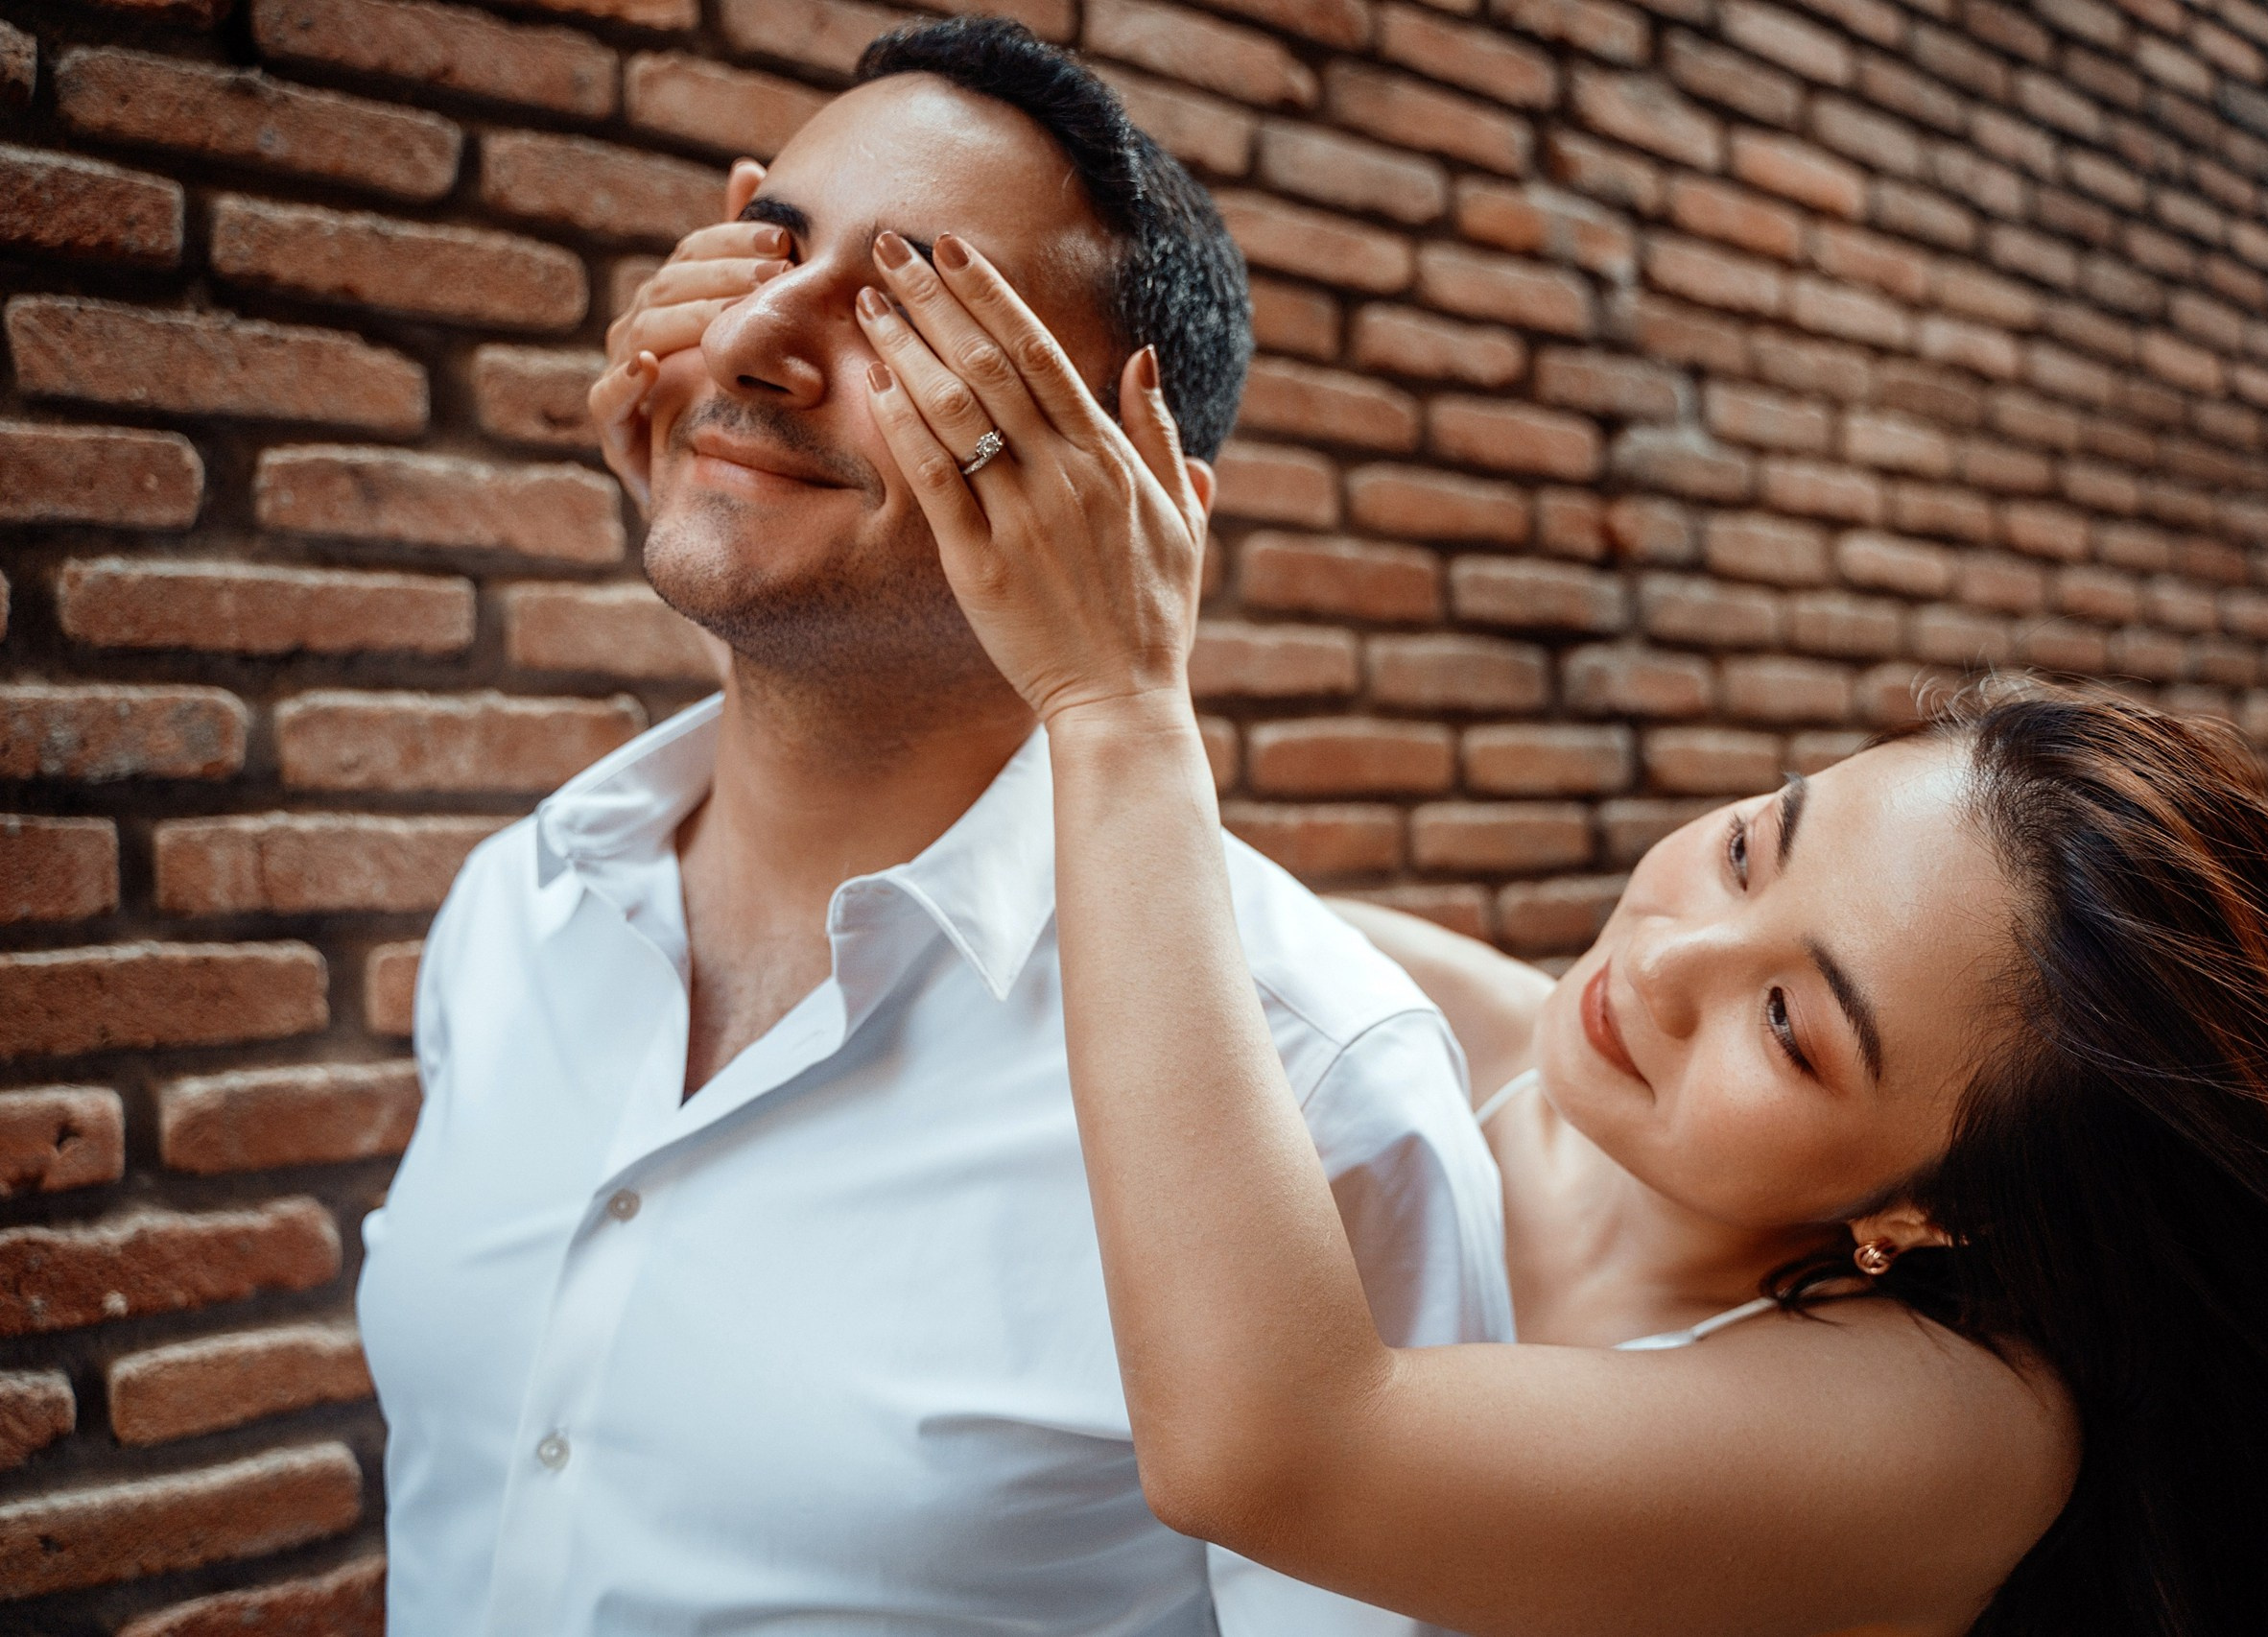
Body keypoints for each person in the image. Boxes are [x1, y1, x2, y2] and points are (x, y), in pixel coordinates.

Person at [855, 170, 2268, 1633]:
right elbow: (1089, 885)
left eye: (1790, 1023)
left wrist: (1127, 702)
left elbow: (1269, 1453)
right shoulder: (1448, 1038)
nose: (1674, 953)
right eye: (1755, 845)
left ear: (1925, 1214)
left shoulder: (1960, 1427)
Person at [355, 20, 1507, 1636]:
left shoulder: (1322, 1092)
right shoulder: (514, 909)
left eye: (911, 315)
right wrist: (729, 466)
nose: (754, 338)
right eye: (770, 252)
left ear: (1140, 506)